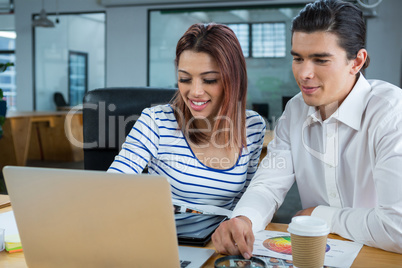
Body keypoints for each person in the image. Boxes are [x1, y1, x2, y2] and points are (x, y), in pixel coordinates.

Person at [212, 0, 402, 257]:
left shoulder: (391, 112)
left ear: (356, 62)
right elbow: (268, 186)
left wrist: (322, 215)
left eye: (320, 60)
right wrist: (244, 220)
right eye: (298, 58)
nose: (303, 73)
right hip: (319, 255)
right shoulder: (296, 110)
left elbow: (396, 228)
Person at [108, 23, 266, 210]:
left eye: (209, 80)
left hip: (219, 238)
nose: (195, 91)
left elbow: (246, 203)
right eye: (184, 79)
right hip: (168, 236)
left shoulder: (253, 126)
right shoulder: (156, 121)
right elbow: (113, 186)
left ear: (233, 80)